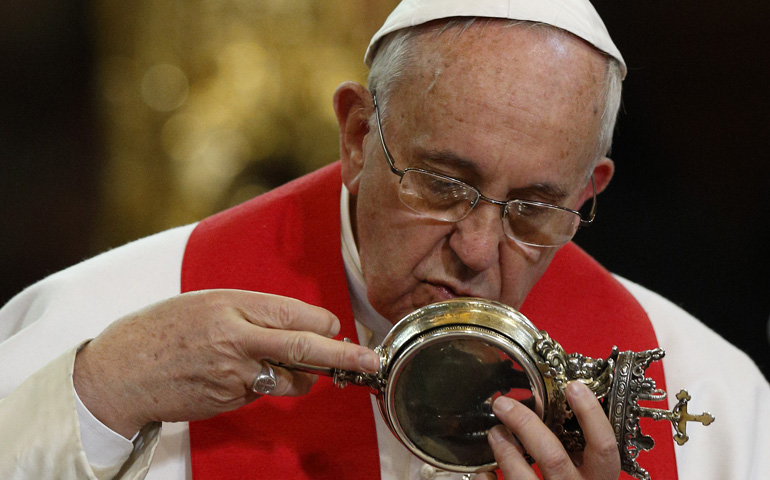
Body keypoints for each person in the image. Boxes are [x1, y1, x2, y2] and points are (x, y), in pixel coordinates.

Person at [1, 1, 768, 479]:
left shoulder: (718, 401)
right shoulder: (111, 322)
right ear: (360, 136)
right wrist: (96, 402)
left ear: (588, 192)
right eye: (442, 183)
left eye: (534, 207)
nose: (475, 249)